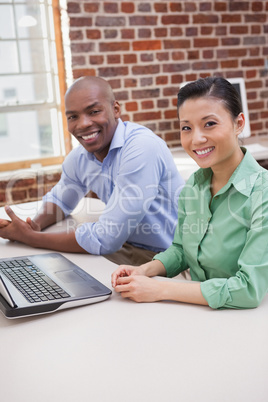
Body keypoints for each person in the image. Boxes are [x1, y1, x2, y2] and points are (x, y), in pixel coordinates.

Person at [112, 76, 268, 309]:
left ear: (239, 123)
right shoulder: (194, 185)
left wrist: (160, 288)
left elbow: (248, 289)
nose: (196, 139)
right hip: (198, 315)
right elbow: (182, 250)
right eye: (187, 127)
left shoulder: (262, 193)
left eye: (210, 124)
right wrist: (144, 270)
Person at [0, 76, 185, 265]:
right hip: (128, 246)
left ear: (116, 109)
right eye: (73, 117)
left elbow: (107, 238)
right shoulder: (79, 158)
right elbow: (60, 201)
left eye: (94, 111)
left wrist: (30, 238)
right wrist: (33, 226)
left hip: (174, 256)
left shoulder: (142, 147)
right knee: (50, 269)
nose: (83, 124)